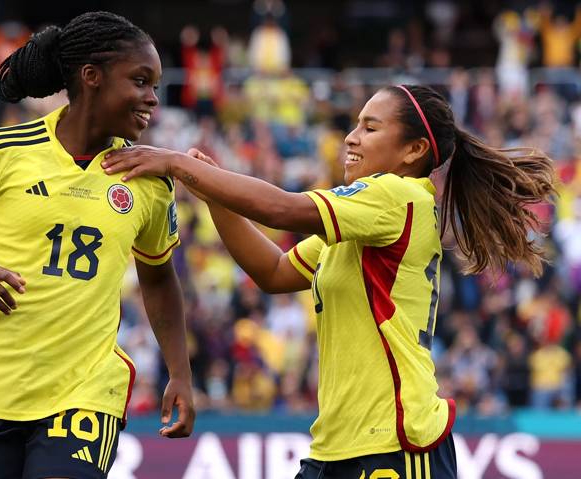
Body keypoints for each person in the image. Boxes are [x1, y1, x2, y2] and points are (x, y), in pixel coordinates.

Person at [102, 84, 555, 478]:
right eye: (356, 124)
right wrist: (214, 196)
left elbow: (282, 208)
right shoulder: (362, 222)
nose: (352, 138)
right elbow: (274, 273)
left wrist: (180, 165)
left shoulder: (396, 196)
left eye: (370, 128)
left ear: (413, 150)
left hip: (397, 445)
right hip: (338, 446)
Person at [0, 11, 194, 479]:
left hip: (85, 392)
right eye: (140, 81)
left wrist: (180, 371)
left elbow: (158, 277)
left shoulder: (150, 181)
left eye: (154, 85)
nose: (152, 99)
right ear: (91, 78)